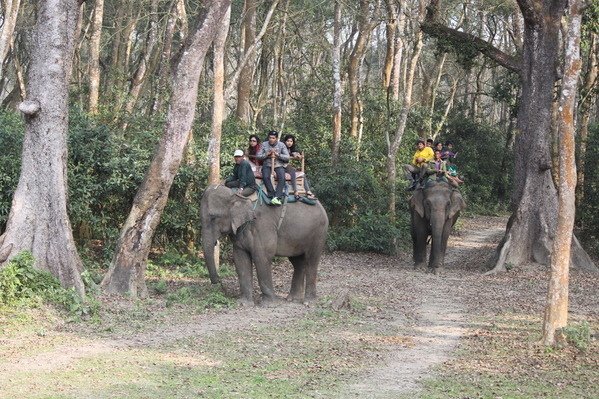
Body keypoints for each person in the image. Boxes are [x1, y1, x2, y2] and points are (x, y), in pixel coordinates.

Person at [257, 130, 289, 205]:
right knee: (265, 176)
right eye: (270, 137)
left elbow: (287, 157)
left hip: (278, 165)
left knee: (282, 177)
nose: (271, 139)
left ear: (277, 138)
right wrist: (267, 154)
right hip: (267, 164)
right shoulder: (264, 144)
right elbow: (258, 156)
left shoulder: (282, 145)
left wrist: (278, 154)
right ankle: (271, 195)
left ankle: (277, 197)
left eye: (273, 138)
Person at [283, 134, 316, 199]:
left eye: (291, 141)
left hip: (286, 166)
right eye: (288, 141)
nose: (289, 143)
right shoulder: (282, 147)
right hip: (280, 165)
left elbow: (294, 153)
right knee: (292, 170)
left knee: (302, 174)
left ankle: (308, 191)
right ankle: (296, 191)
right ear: (285, 141)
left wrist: (296, 154)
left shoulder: (291, 149)